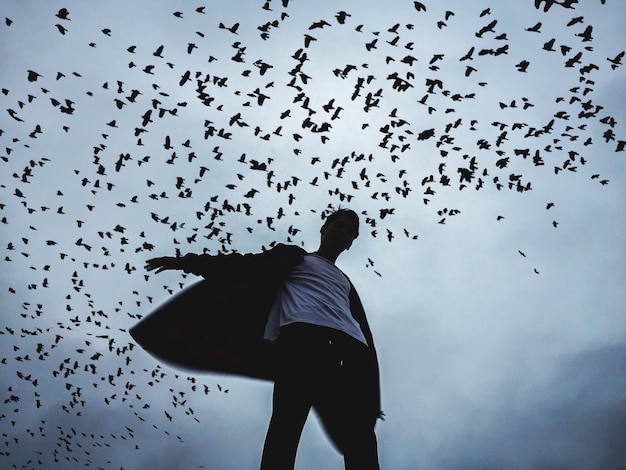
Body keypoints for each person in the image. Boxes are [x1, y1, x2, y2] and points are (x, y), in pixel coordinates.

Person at [145, 208, 382, 469]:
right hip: (302, 339)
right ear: (324, 229)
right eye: (340, 226)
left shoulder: (345, 282)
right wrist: (183, 262)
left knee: (360, 434)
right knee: (287, 423)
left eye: (350, 231)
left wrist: (371, 396)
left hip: (350, 348)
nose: (344, 232)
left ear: (351, 243)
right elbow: (238, 264)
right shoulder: (294, 257)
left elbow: (365, 334)